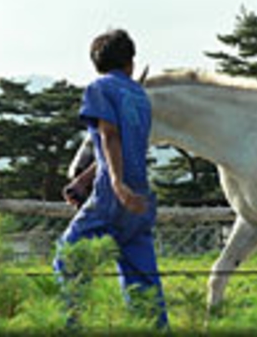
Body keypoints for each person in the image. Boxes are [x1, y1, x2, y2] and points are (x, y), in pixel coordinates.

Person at [53, 28, 168, 329]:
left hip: (111, 195)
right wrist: (84, 180)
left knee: (68, 258)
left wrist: (115, 184)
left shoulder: (100, 88)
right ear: (130, 62)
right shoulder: (139, 95)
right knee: (143, 283)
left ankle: (74, 328)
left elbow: (109, 135)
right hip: (140, 196)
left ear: (96, 63)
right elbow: (123, 146)